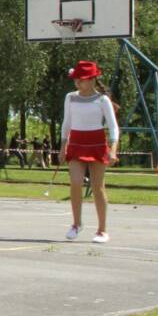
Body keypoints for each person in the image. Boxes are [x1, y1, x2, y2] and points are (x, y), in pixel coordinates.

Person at [60, 60, 119, 244]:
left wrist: (113, 150)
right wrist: (62, 147)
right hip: (76, 143)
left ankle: (102, 230)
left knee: (97, 187)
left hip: (97, 143)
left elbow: (113, 127)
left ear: (92, 79)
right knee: (75, 182)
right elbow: (66, 123)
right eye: (76, 79)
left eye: (82, 79)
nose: (78, 82)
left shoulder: (103, 100)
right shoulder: (70, 97)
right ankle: (76, 224)